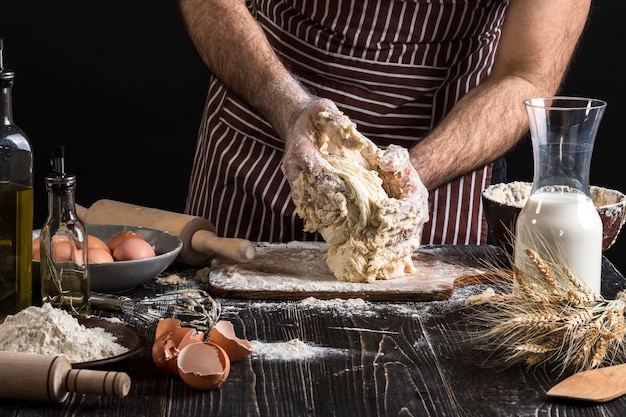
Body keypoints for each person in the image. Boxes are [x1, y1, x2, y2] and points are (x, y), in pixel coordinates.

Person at [177, 0, 591, 246]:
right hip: (262, 141)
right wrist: (289, 109)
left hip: (434, 178)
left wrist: (404, 178)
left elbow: (528, 75)